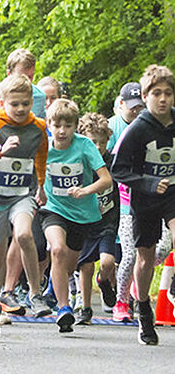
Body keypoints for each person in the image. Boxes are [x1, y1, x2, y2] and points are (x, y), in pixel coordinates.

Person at [0, 74, 51, 343]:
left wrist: (40, 185)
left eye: (25, 104)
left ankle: (35, 294)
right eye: (15, 104)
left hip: (22, 195)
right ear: (3, 103)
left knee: (25, 234)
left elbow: (41, 156)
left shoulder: (38, 127)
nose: (21, 110)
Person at [34, 99, 112, 333]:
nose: (62, 131)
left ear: (75, 126)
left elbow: (106, 179)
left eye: (67, 126)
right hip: (53, 208)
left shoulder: (85, 146)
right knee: (56, 250)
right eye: (57, 125)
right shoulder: (43, 147)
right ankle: (64, 308)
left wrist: (85, 191)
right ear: (49, 125)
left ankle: (54, 286)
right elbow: (32, 171)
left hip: (81, 213)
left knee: (69, 266)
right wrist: (38, 190)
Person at [112, 64, 175, 345]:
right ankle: (143, 310)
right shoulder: (137, 130)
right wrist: (148, 183)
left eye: (168, 94)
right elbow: (119, 170)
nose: (163, 99)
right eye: (157, 93)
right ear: (147, 97)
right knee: (145, 256)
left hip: (173, 193)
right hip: (145, 198)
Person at [75, 112, 120, 325]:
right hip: (85, 220)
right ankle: (85, 308)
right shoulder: (79, 161)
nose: (99, 147)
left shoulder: (111, 161)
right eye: (94, 142)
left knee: (107, 261)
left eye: (102, 142)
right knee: (85, 265)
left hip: (108, 220)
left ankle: (103, 282)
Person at [5, 48, 46, 119]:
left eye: (30, 77)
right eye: (22, 77)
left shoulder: (40, 96)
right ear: (9, 74)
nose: (27, 81)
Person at [107, 82, 145, 152]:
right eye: (132, 107)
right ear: (121, 103)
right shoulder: (110, 126)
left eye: (140, 106)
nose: (135, 111)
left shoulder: (149, 124)